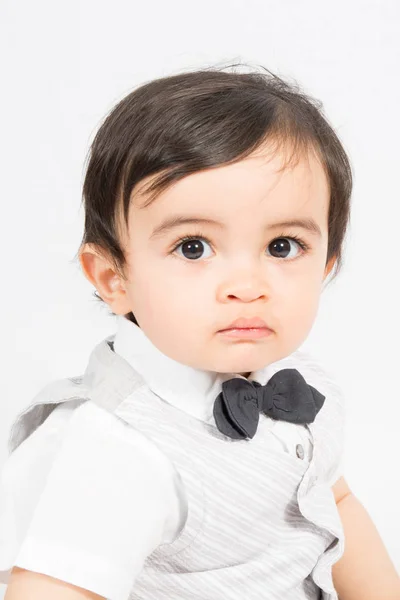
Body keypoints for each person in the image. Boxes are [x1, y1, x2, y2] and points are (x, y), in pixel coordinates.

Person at [1, 64, 399, 600]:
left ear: (327, 264)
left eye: (283, 246)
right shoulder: (116, 449)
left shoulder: (304, 388)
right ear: (114, 278)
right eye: (193, 247)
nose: (247, 285)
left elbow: (339, 509)